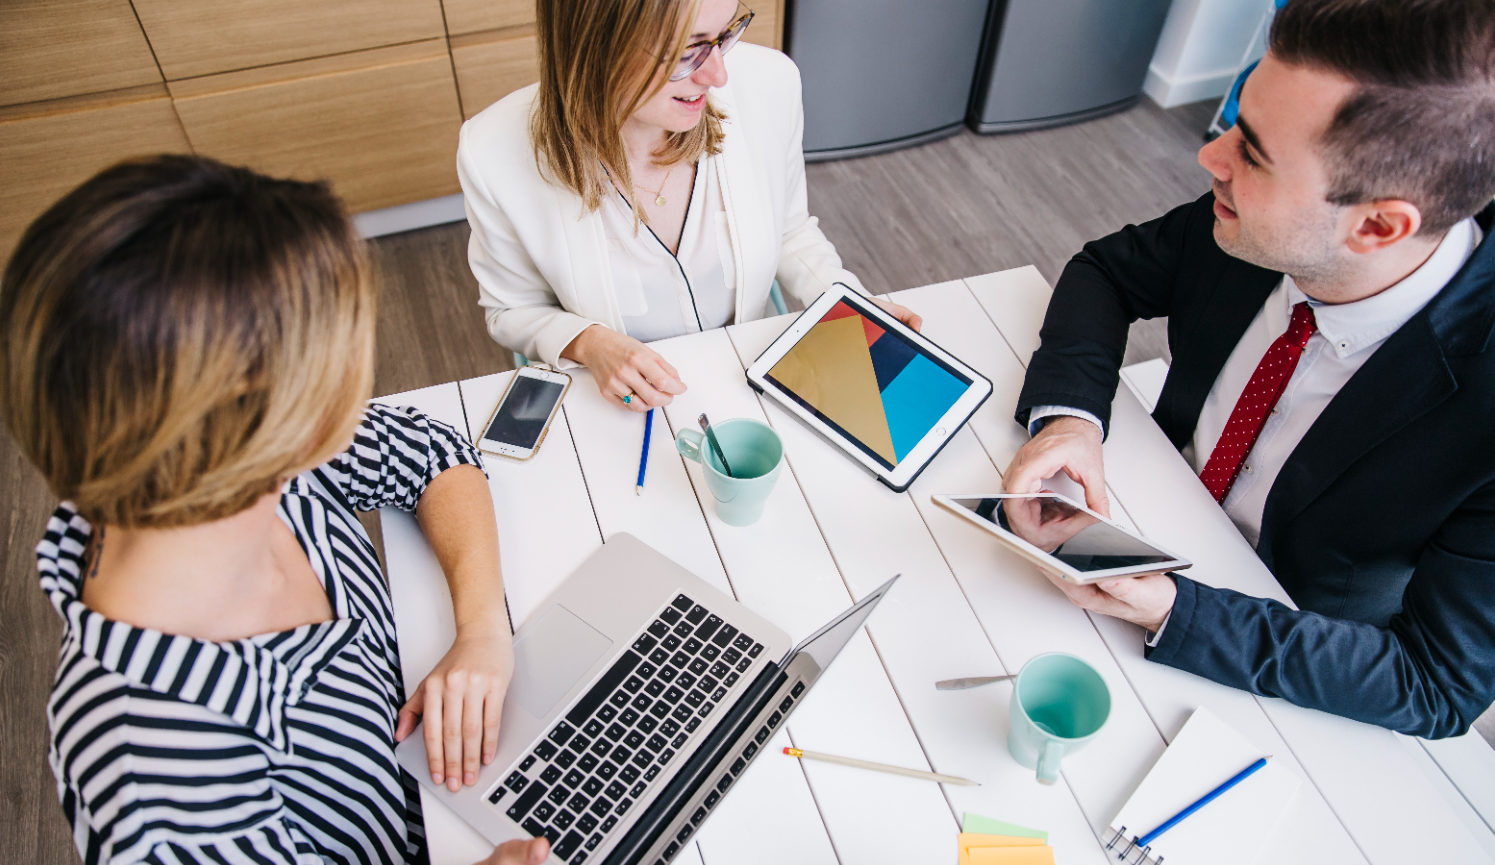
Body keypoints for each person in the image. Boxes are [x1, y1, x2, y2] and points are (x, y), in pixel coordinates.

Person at [0, 155, 546, 864]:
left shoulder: (232, 470)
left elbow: (430, 452)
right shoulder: (154, 785)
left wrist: (481, 631)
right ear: (272, 416)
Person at [1004, 0, 1495, 739]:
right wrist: (1069, 417)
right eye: (1235, 117)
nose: (1211, 156)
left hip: (1280, 662)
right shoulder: (1257, 223)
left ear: (1375, 226)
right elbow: (1106, 271)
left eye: (1254, 152)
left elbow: (1433, 683)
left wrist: (1177, 610)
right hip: (1134, 510)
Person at [458, 0, 920, 411]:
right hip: (622, 407)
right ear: (597, 44)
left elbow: (790, 232)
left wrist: (851, 301)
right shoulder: (492, 152)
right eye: (688, 49)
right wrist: (591, 344)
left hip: (750, 376)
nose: (718, 74)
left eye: (723, 35)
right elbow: (510, 310)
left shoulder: (770, 84)